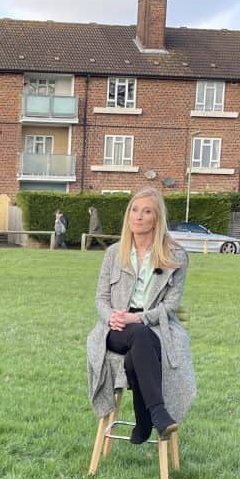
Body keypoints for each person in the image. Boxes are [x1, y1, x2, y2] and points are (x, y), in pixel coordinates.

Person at [86, 187, 195, 443]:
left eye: (146, 212)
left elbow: (170, 306)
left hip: (153, 325)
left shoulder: (175, 255)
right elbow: (100, 298)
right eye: (134, 210)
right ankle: (157, 414)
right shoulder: (114, 252)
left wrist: (139, 318)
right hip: (115, 328)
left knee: (139, 345)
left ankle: (144, 418)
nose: (138, 217)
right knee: (138, 337)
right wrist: (111, 316)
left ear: (157, 218)